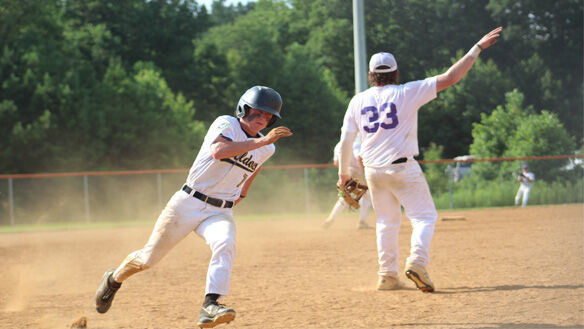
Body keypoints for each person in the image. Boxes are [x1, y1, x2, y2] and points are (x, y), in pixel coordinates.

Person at [93, 86, 293, 328]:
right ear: (244, 108)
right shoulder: (226, 124)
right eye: (258, 112)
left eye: (268, 116)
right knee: (148, 260)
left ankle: (210, 305)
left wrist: (242, 193)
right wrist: (261, 141)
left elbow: (254, 167)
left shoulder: (267, 148)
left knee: (226, 243)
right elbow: (219, 151)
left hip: (220, 211)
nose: (263, 119)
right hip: (188, 203)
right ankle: (113, 279)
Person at [337, 27, 503, 292]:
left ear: (371, 75)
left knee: (386, 222)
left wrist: (343, 174)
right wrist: (477, 48)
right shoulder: (406, 92)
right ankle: (417, 262)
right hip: (402, 167)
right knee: (425, 217)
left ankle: (387, 275)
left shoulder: (358, 100)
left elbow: (346, 140)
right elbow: (451, 77)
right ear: (395, 73)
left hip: (372, 171)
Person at [322, 138, 373, 229]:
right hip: (357, 171)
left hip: (345, 173)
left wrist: (343, 173)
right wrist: (365, 172)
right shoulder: (355, 143)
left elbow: (336, 163)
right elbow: (359, 158)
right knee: (366, 195)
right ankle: (362, 221)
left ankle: (331, 218)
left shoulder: (338, 145)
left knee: (344, 197)